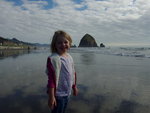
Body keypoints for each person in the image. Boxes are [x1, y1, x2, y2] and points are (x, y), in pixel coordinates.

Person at [46, 30, 78, 113]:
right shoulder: (54, 59)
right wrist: (51, 97)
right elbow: (51, 80)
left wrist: (74, 86)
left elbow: (73, 73)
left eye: (65, 42)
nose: (63, 44)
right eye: (59, 43)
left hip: (67, 93)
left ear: (69, 43)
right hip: (58, 95)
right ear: (55, 45)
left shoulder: (69, 57)